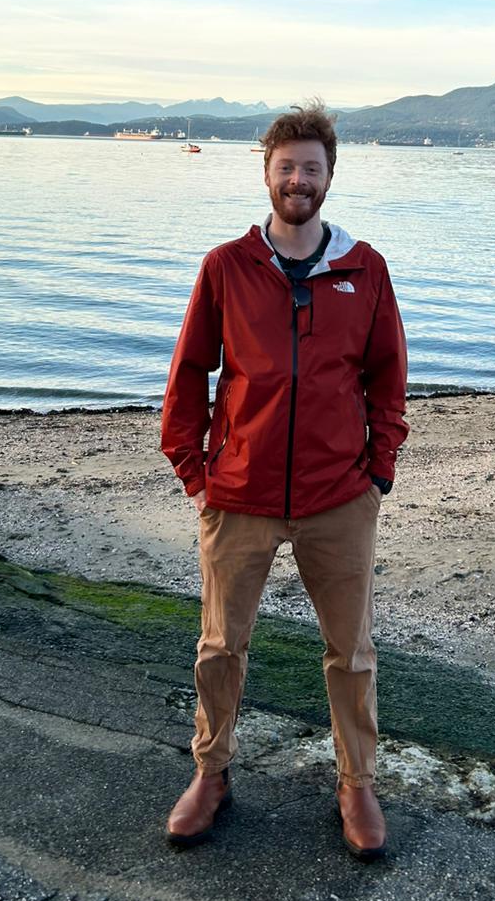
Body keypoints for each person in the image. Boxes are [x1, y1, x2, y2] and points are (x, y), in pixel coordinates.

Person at [159, 100, 409, 859]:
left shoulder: (365, 269)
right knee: (219, 647)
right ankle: (211, 774)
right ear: (267, 174)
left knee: (351, 652)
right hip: (239, 494)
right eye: (286, 167)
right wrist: (195, 472)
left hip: (340, 496)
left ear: (330, 176)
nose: (298, 180)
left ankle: (356, 784)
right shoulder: (226, 267)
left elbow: (388, 378)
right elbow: (189, 374)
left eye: (311, 168)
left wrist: (377, 471)